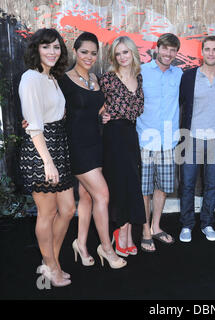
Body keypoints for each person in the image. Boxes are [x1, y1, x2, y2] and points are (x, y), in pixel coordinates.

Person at [59, 32, 126, 268]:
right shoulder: (64, 80)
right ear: (75, 52)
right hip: (76, 148)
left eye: (93, 53)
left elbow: (94, 109)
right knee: (102, 195)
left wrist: (103, 114)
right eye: (84, 52)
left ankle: (81, 243)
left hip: (96, 144)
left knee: (87, 196)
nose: (89, 56)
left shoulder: (96, 79)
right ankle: (106, 248)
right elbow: (55, 110)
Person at [19, 28, 75, 287]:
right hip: (42, 151)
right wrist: (48, 161)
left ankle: (51, 260)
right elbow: (34, 127)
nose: (52, 52)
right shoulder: (30, 78)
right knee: (48, 212)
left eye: (56, 47)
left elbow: (49, 113)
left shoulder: (51, 77)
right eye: (46, 47)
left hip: (58, 144)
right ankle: (51, 266)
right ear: (36, 50)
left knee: (68, 209)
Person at [178, 36, 215, 242]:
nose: (211, 53)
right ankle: (186, 225)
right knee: (188, 184)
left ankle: (207, 223)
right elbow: (180, 103)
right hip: (191, 138)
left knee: (211, 184)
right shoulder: (190, 77)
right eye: (207, 49)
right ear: (202, 52)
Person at [99, 36, 147, 256]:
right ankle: (120, 233)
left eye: (125, 52)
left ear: (132, 53)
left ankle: (126, 233)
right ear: (113, 57)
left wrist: (116, 110)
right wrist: (103, 114)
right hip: (113, 136)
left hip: (130, 135)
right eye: (118, 54)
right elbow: (96, 107)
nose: (122, 57)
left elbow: (137, 110)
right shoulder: (108, 79)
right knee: (118, 185)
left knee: (131, 184)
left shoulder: (139, 77)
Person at [136, 33, 182, 251]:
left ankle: (156, 226)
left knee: (162, 188)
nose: (168, 54)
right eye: (165, 49)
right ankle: (145, 230)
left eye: (173, 50)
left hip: (168, 141)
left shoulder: (179, 74)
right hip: (145, 139)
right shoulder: (142, 72)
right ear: (157, 48)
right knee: (144, 189)